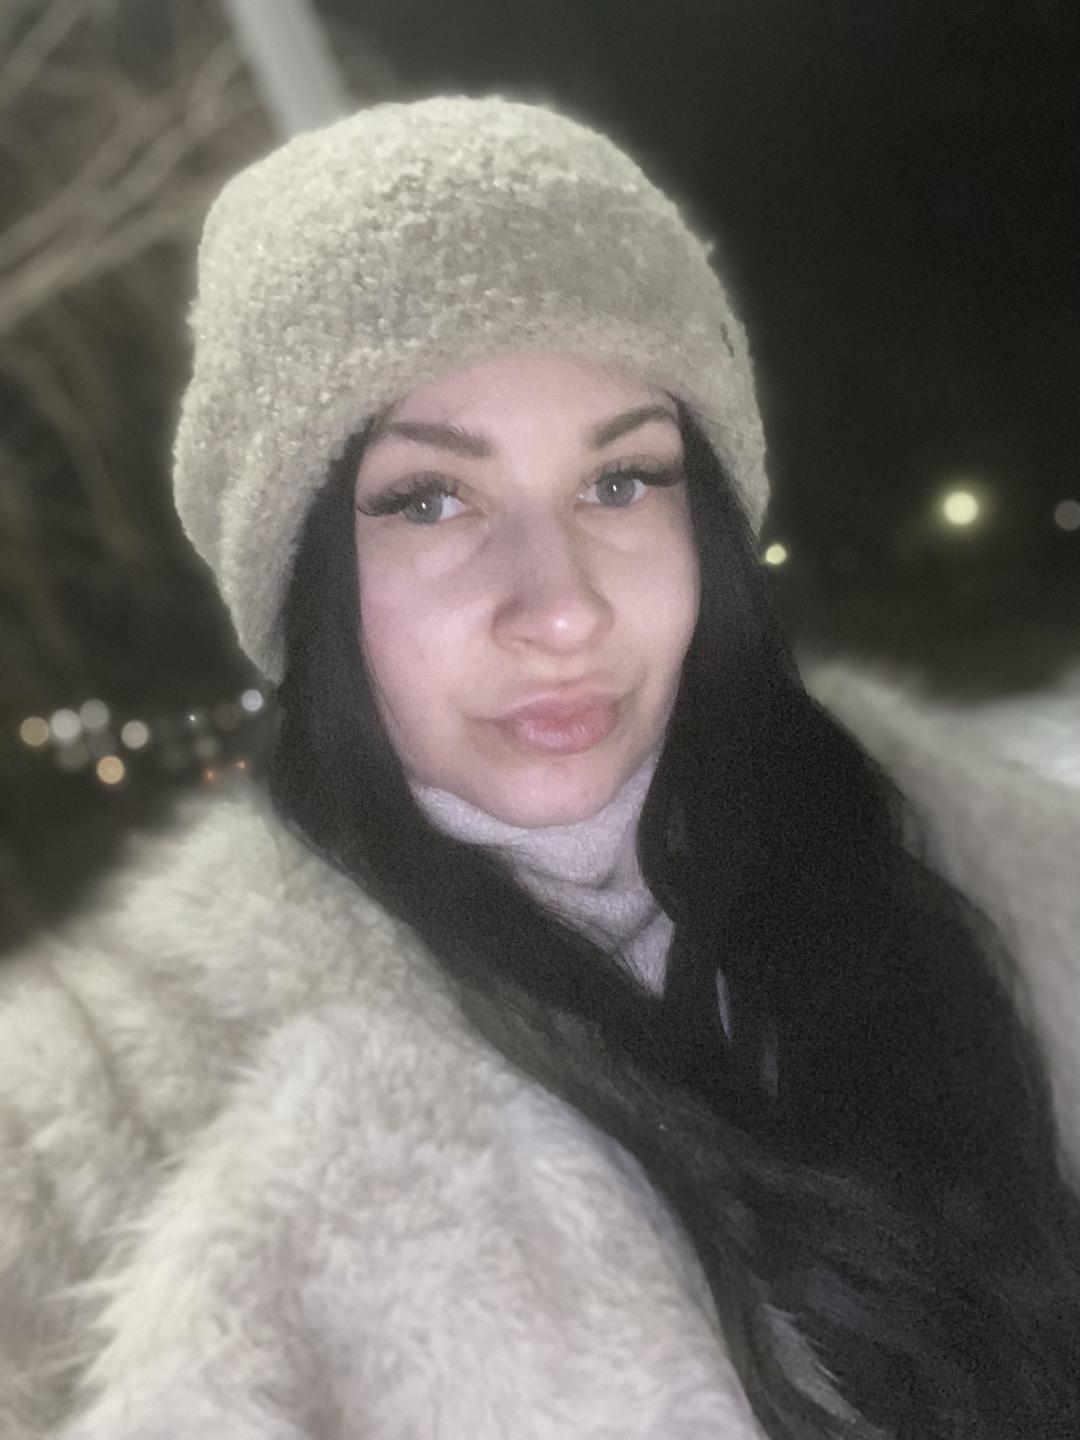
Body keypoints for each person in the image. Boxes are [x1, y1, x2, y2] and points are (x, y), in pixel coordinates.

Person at [2, 95, 1078, 1440]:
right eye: (431, 499)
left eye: (622, 480)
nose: (560, 610)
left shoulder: (1005, 890)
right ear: (305, 574)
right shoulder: (92, 1148)